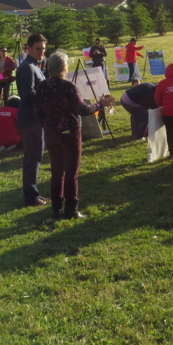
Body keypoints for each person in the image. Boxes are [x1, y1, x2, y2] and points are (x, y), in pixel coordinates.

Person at [34, 50, 114, 219]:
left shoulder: (42, 87)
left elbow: (38, 111)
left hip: (51, 133)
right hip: (69, 133)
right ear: (64, 68)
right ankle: (71, 210)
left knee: (57, 170)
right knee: (71, 172)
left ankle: (57, 209)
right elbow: (83, 109)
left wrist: (47, 126)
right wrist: (100, 104)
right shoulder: (68, 87)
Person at [17, 33, 49, 207]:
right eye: (38, 49)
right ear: (28, 48)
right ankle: (31, 197)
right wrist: (48, 92)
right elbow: (28, 95)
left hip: (36, 119)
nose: (41, 52)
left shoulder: (35, 65)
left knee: (35, 158)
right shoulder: (28, 67)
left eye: (43, 49)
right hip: (30, 119)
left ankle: (34, 194)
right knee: (32, 159)